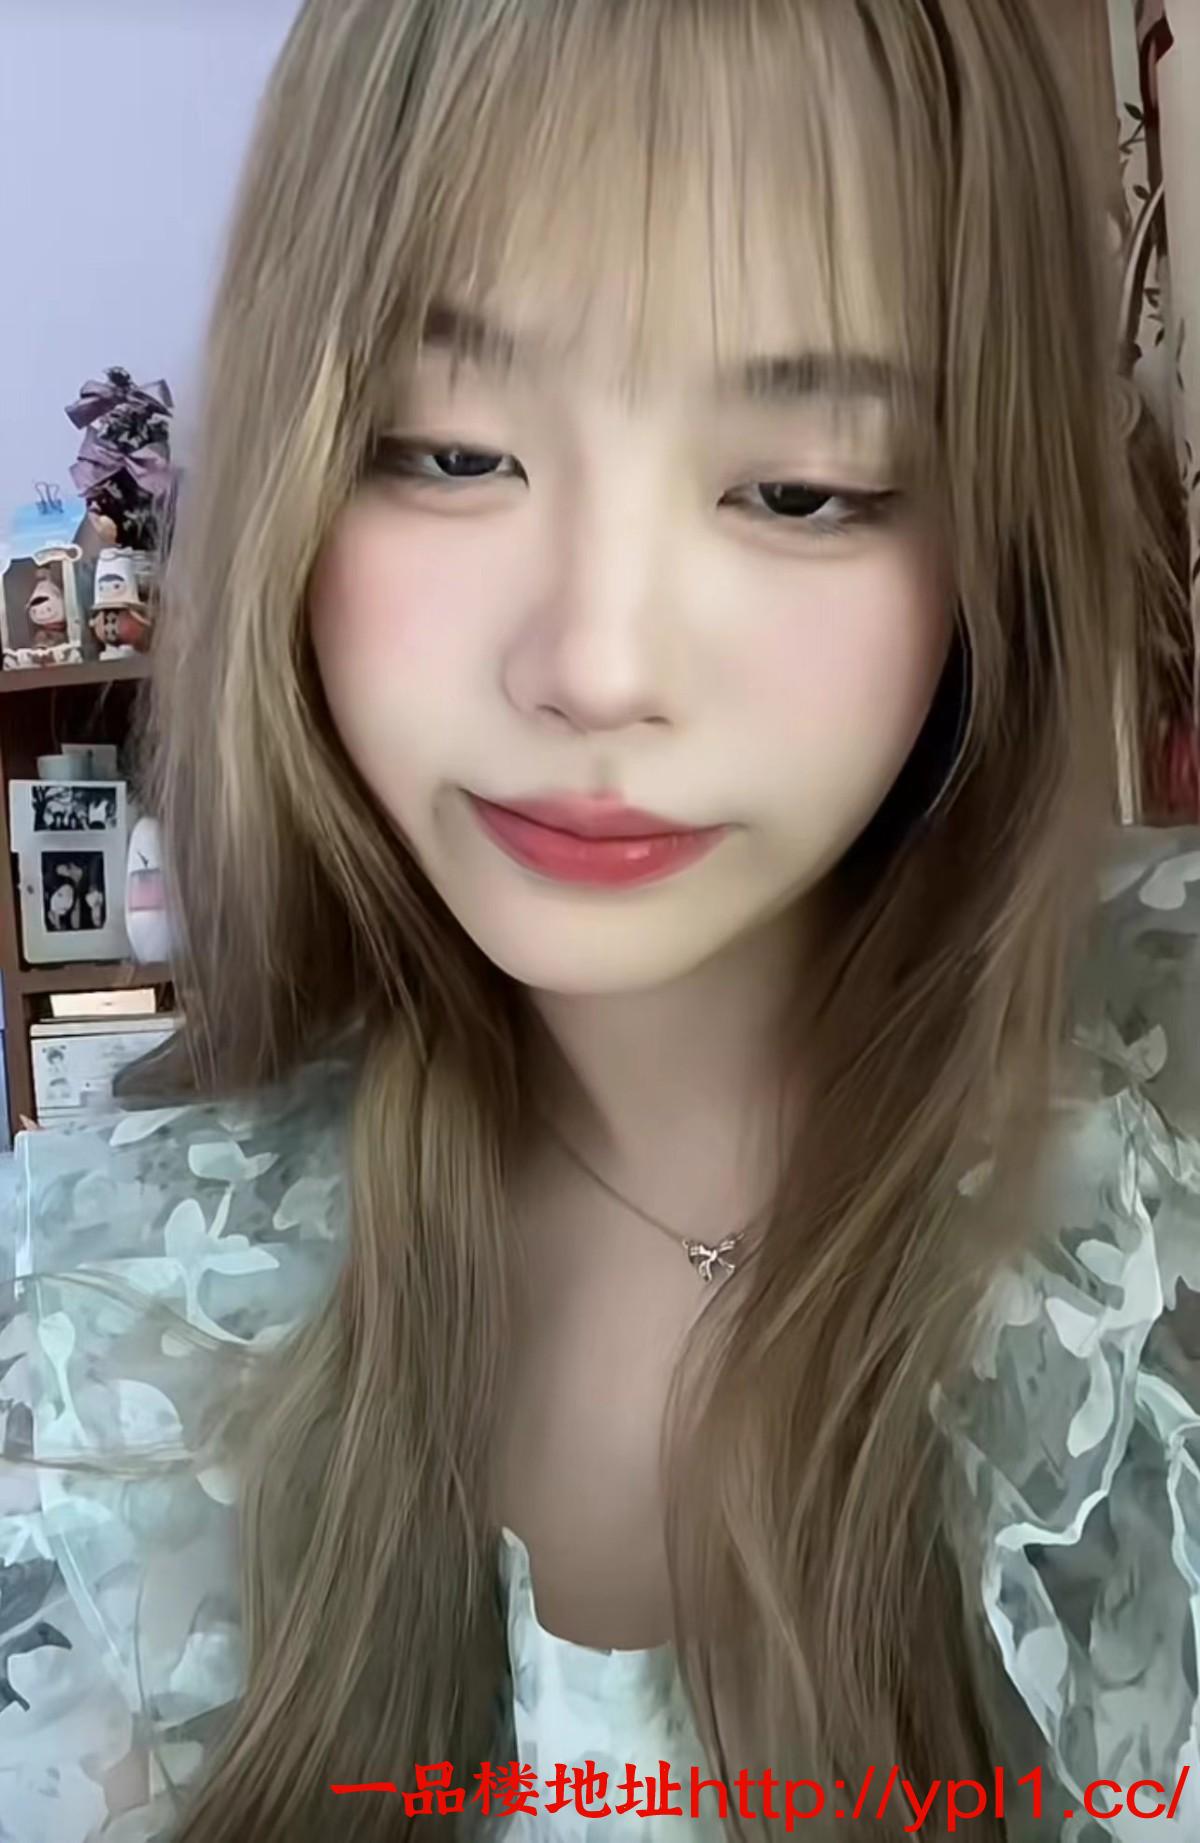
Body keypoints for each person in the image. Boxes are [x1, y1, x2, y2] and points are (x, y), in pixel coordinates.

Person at [0, 2, 1197, 1839]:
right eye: (450, 452)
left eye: (799, 489)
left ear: (987, 538)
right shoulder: (120, 1353)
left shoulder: (1154, 1199)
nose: (596, 663)